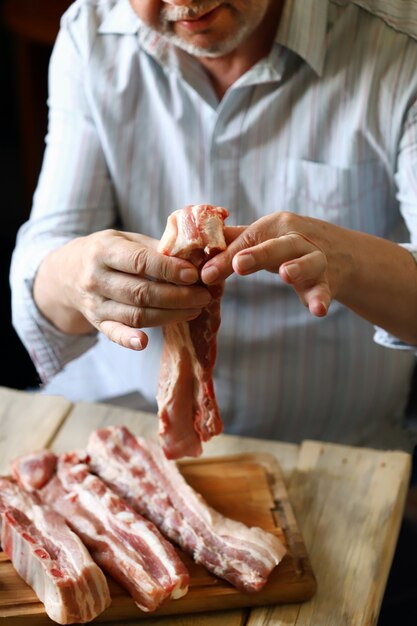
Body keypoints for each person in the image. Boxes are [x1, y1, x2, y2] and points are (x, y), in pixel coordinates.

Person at [10, 0, 417, 451]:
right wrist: (75, 276)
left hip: (330, 446)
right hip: (124, 426)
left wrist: (351, 261)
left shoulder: (400, 44)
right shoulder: (93, 34)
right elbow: (42, 278)